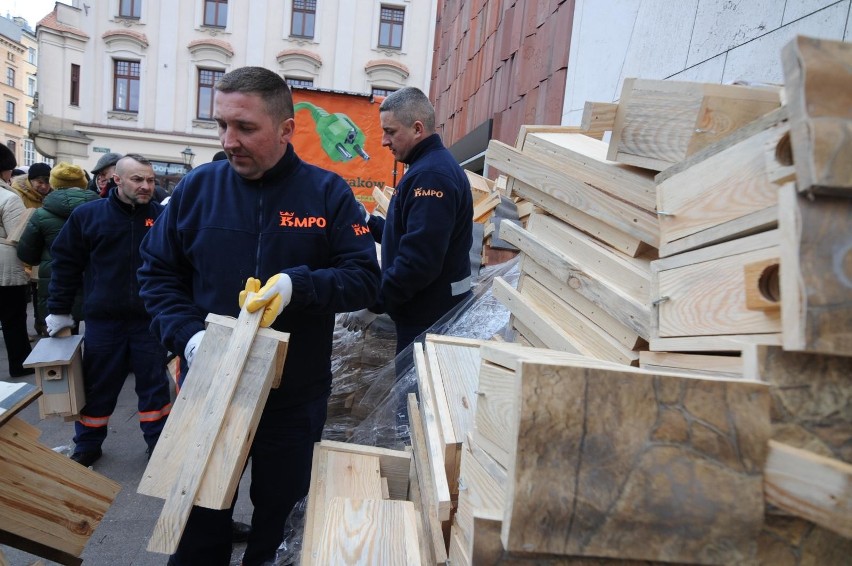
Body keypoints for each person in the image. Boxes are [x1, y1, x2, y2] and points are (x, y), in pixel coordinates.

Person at [137, 66, 380, 565]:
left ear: (287, 128)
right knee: (200, 518)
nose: (229, 140)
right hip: (207, 386)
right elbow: (157, 274)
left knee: (281, 516)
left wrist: (301, 285)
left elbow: (364, 277)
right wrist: (188, 337)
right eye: (221, 125)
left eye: (245, 127)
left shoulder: (327, 194)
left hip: (293, 394)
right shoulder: (196, 190)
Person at [44, 154, 172, 467]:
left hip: (149, 321)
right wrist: (59, 311)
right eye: (137, 179)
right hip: (104, 321)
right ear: (116, 179)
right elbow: (64, 265)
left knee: (155, 387)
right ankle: (88, 445)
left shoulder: (162, 217)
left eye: (150, 180)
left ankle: (158, 444)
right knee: (98, 385)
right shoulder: (88, 216)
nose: (145, 186)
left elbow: (178, 266)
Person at [341, 87, 473, 355]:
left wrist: (373, 304)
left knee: (415, 397)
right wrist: (367, 220)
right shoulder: (427, 168)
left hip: (430, 323)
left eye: (390, 132)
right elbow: (406, 235)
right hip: (428, 317)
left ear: (417, 129)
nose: (383, 142)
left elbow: (418, 262)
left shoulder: (431, 177)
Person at [17, 163, 100, 337]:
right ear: (84, 182)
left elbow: (27, 254)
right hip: (95, 282)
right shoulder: (101, 210)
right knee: (99, 340)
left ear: (54, 183)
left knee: (60, 344)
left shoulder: (41, 214)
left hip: (55, 283)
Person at [0, 144, 33, 378]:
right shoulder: (8, 198)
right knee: (13, 319)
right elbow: (17, 235)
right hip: (6, 269)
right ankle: (19, 364)